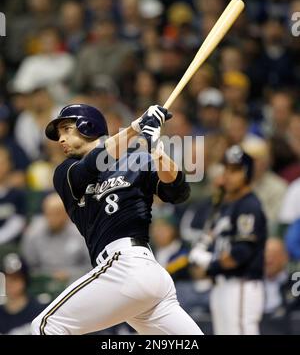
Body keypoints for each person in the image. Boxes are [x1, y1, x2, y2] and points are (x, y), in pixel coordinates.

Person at [31, 103, 203, 335]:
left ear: (88, 126)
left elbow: (177, 192)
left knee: (45, 327)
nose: (60, 138)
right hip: (126, 276)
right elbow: (93, 164)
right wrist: (135, 128)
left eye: (66, 129)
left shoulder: (136, 160)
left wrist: (158, 153)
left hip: (130, 265)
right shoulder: (65, 171)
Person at [189, 145, 267, 334]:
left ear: (247, 173)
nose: (229, 176)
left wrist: (208, 263)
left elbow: (240, 254)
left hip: (241, 285)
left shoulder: (249, 205)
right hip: (221, 286)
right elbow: (211, 238)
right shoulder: (225, 205)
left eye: (236, 170)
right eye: (227, 169)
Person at [21, 193, 90, 284]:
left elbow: (90, 265)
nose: (52, 218)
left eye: (57, 213)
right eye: (48, 213)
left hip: (74, 282)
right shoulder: (33, 233)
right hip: (43, 282)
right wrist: (46, 276)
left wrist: (69, 274)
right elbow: (29, 266)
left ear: (66, 213)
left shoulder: (80, 233)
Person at [0, 253, 46, 335]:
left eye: (14, 279)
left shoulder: (40, 311)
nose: (8, 283)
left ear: (24, 281)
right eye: (5, 278)